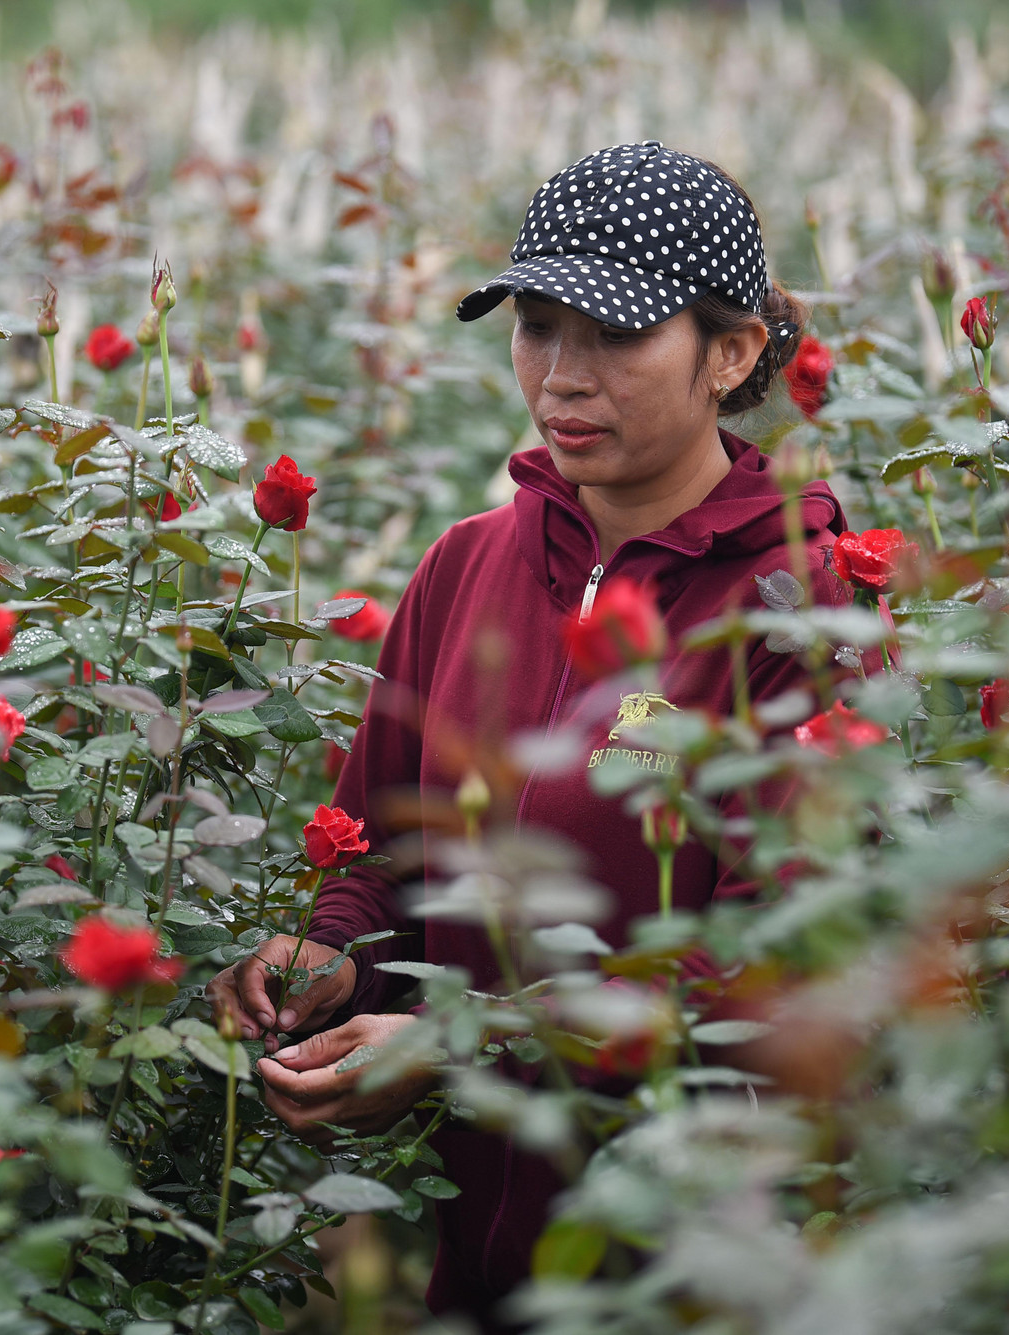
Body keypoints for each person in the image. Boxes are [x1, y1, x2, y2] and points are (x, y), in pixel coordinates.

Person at [208, 141, 853, 1329]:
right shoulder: (467, 563)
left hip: (687, 1263)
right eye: (536, 324)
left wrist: (456, 1043)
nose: (561, 375)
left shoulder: (798, 613)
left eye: (613, 337)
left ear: (732, 353)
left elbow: (775, 976)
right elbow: (379, 852)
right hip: (470, 1263)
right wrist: (331, 962)